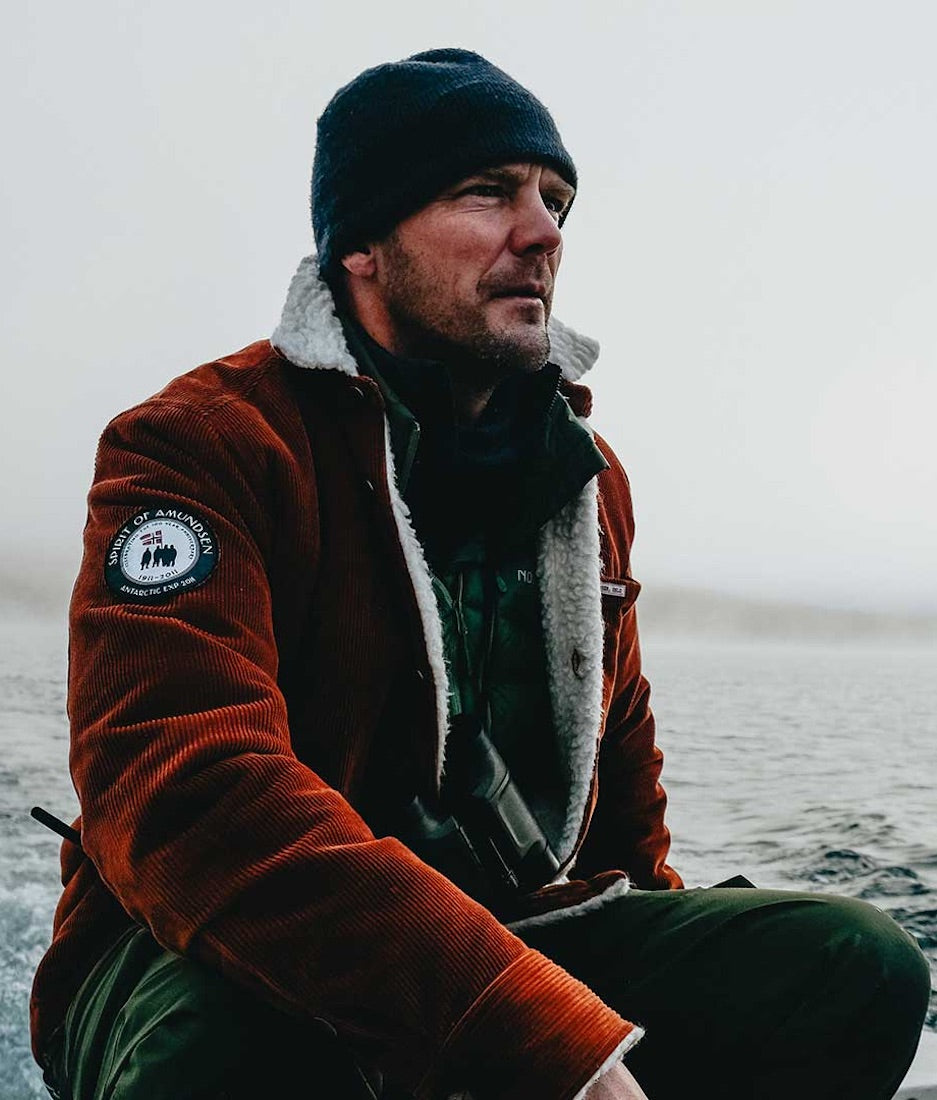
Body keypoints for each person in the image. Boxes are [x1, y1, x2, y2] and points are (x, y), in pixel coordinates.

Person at [32, 48, 929, 1100]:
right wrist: (547, 1037)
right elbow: (186, 794)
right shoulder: (199, 443)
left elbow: (619, 778)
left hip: (509, 921)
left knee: (853, 962)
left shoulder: (580, 478)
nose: (544, 233)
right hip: (190, 944)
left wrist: (647, 978)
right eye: (486, 191)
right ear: (361, 241)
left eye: (555, 200)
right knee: (246, 1038)